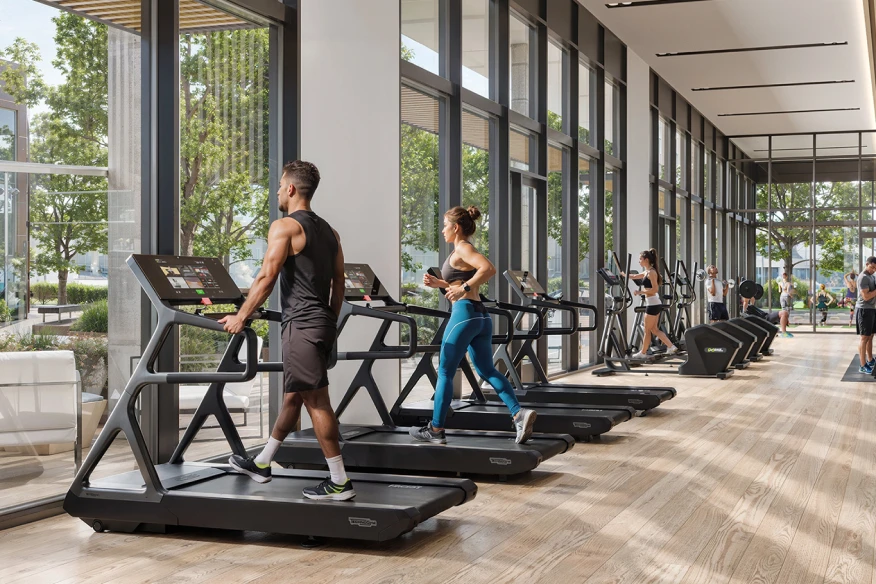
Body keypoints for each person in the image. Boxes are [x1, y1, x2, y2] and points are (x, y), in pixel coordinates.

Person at [220, 160, 355, 501]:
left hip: (302, 325)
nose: (278, 191)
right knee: (294, 396)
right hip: (322, 322)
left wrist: (241, 317)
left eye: (281, 186)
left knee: (317, 402)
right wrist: (329, 320)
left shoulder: (286, 227)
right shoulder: (331, 232)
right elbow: (339, 283)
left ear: (292, 189)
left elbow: (267, 276)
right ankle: (263, 463)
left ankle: (340, 481)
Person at [414, 206, 537, 445]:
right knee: (486, 370)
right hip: (480, 316)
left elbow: (487, 269)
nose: (442, 230)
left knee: (446, 372)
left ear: (456, 227)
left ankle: (436, 429)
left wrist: (464, 288)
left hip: (465, 314)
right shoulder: (461, 251)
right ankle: (518, 414)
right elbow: (460, 281)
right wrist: (441, 283)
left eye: (445, 225)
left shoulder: (463, 247)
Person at [621, 248, 679, 359]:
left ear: (646, 259)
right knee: (654, 329)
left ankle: (643, 353)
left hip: (652, 304)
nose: (639, 261)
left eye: (640, 259)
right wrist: (624, 275)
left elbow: (655, 289)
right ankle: (671, 346)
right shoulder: (647, 271)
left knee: (647, 329)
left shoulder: (651, 272)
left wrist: (640, 292)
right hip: (654, 303)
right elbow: (634, 276)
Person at [855, 257, 876, 374]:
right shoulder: (863, 277)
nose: (874, 270)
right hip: (864, 310)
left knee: (870, 336)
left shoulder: (872, 276)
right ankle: (862, 365)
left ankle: (870, 359)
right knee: (864, 338)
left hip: (871, 309)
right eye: (872, 267)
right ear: (867, 264)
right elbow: (866, 296)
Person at [777, 273, 794, 338]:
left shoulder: (780, 283)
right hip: (786, 295)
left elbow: (779, 291)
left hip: (781, 296)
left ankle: (784, 323)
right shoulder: (788, 283)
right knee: (787, 309)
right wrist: (791, 295)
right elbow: (788, 291)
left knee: (783, 309)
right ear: (786, 277)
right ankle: (787, 321)